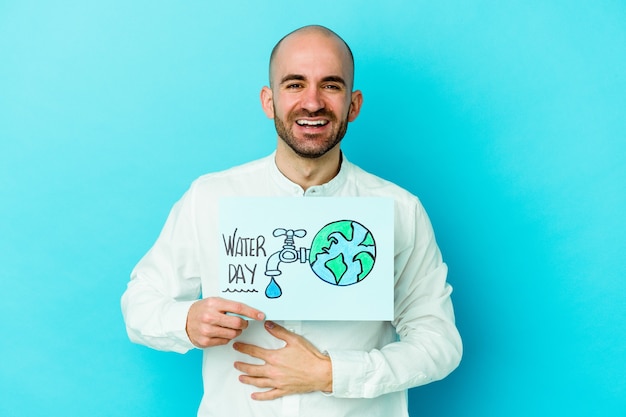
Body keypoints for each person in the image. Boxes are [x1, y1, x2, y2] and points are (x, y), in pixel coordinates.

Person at [121, 25, 462, 417]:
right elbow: (139, 304)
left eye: (331, 86)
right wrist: (186, 321)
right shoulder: (210, 198)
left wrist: (333, 373)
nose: (312, 103)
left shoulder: (400, 210)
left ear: (354, 104)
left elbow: (440, 343)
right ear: (269, 101)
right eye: (295, 85)